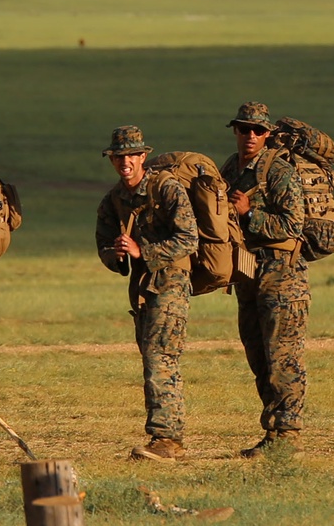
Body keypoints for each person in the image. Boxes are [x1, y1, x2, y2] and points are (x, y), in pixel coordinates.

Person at [95, 125, 197, 461]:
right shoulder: (114, 199)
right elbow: (105, 245)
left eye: (131, 156)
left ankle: (167, 439)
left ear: (143, 156)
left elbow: (189, 239)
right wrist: (117, 254)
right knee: (152, 357)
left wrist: (144, 252)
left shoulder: (166, 188)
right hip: (141, 289)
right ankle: (166, 436)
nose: (125, 162)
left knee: (160, 358)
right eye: (118, 157)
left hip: (170, 284)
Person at [220, 102, 307, 457]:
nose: (250, 135)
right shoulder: (230, 168)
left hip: (282, 274)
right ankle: (272, 433)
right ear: (235, 131)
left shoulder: (279, 171)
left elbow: (292, 225)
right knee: (257, 353)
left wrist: (250, 213)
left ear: (268, 134)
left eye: (258, 130)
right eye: (243, 129)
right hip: (248, 273)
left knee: (282, 355)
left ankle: (289, 434)